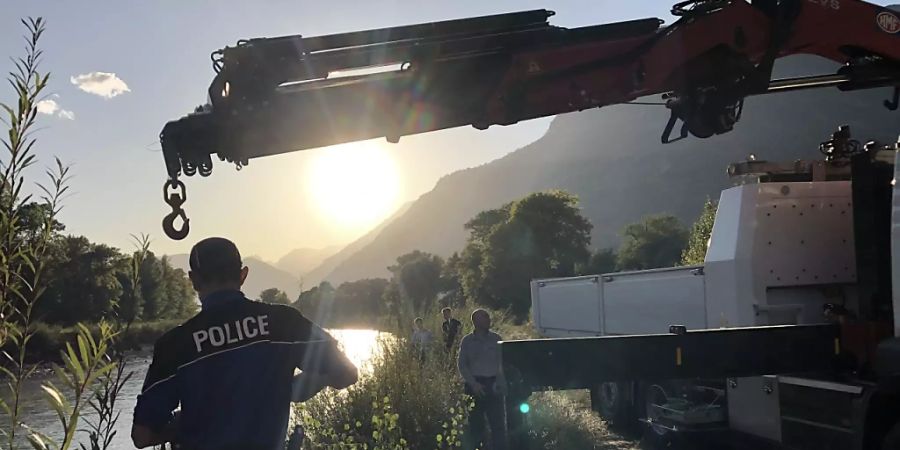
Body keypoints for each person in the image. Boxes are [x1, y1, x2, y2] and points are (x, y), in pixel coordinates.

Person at [131, 237, 358, 450]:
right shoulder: (285, 322)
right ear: (243, 275)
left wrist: (181, 422)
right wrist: (291, 389)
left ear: (194, 280)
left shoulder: (175, 344)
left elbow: (142, 436)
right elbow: (347, 373)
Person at [457, 309, 507, 450]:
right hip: (475, 386)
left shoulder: (496, 338)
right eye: (485, 318)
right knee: (476, 425)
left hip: (493, 385)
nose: (489, 320)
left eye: (488, 318)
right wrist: (473, 384)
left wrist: (500, 381)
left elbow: (502, 363)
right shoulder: (467, 341)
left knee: (498, 425)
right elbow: (462, 365)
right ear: (476, 322)